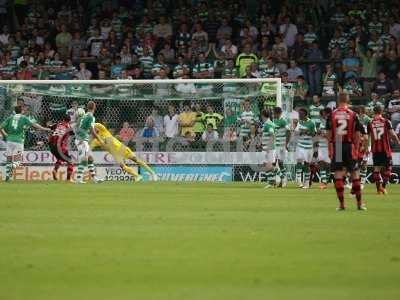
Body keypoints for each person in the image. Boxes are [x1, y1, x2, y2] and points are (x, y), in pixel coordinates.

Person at [326, 93, 366, 211]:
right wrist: (356, 147)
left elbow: (328, 134)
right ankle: (359, 204)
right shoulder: (353, 114)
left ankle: (342, 205)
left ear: (338, 100)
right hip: (349, 146)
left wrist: (332, 142)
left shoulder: (332, 114)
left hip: (337, 146)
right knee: (355, 173)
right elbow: (358, 134)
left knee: (338, 174)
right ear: (348, 100)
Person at [90, 123, 158, 182]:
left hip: (122, 148)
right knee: (123, 167)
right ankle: (137, 176)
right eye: (92, 131)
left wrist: (91, 124)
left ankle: (153, 173)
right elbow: (90, 148)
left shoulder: (103, 131)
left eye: (94, 130)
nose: (94, 131)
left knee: (136, 160)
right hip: (115, 154)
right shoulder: (95, 141)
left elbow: (96, 124)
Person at [0, 106, 51, 181]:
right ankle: (12, 168)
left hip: (9, 140)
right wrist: (45, 129)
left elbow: (0, 127)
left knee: (9, 159)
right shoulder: (24, 118)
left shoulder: (10, 118)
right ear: (21, 111)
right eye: (23, 109)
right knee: (18, 160)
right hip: (18, 141)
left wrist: (5, 135)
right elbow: (35, 125)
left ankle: (8, 176)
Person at [368, 105, 400, 194]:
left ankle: (378, 190)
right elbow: (393, 134)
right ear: (381, 111)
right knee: (389, 168)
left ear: (374, 111)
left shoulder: (370, 122)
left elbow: (368, 137)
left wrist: (367, 147)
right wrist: (398, 142)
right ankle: (383, 187)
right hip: (385, 149)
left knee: (376, 169)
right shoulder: (386, 121)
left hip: (375, 150)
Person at [74, 101, 103, 184]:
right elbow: (92, 131)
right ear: (94, 107)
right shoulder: (90, 116)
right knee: (84, 159)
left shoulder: (85, 115)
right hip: (82, 140)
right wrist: (99, 139)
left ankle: (94, 178)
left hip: (81, 139)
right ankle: (79, 179)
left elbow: (80, 126)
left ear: (87, 107)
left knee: (90, 158)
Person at [294, 108, 316, 189]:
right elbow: (296, 132)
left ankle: (306, 183)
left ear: (305, 114)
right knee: (299, 162)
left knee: (307, 164)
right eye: (298, 114)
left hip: (308, 147)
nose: (299, 115)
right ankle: (299, 181)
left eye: (300, 114)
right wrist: (300, 132)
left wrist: (307, 132)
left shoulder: (311, 122)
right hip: (300, 145)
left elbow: (314, 133)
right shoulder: (299, 122)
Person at [48, 115, 74, 182]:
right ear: (69, 121)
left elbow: (50, 126)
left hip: (51, 146)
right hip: (59, 146)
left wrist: (49, 125)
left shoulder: (58, 124)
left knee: (60, 158)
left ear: (63, 119)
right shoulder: (68, 127)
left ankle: (55, 170)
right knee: (70, 161)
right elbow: (73, 133)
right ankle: (68, 179)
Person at [273, 107, 291, 187]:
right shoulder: (274, 120)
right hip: (275, 145)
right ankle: (283, 179)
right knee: (275, 163)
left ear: (278, 113)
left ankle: (282, 179)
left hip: (281, 145)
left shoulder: (283, 121)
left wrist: (286, 144)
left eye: (274, 113)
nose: (273, 114)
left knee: (278, 163)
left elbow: (289, 131)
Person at [317, 108, 331, 189]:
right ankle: (323, 182)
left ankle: (326, 180)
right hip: (321, 145)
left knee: (328, 165)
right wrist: (318, 132)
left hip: (329, 146)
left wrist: (325, 135)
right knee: (321, 163)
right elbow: (317, 132)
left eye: (323, 114)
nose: (322, 115)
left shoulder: (331, 122)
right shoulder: (320, 122)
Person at [261, 110, 276, 188]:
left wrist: (268, 146)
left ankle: (279, 175)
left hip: (269, 148)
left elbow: (272, 134)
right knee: (265, 164)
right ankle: (272, 182)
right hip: (266, 147)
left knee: (268, 165)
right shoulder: (267, 123)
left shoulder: (268, 124)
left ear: (263, 115)